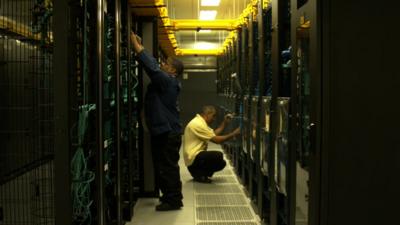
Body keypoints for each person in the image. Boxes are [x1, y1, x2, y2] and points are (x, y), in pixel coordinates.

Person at [130, 31, 184, 211]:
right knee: (163, 166)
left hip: (168, 133)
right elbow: (154, 66)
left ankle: (174, 200)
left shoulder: (168, 81)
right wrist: (141, 46)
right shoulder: (167, 81)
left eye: (166, 63)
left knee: (167, 167)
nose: (162, 63)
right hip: (164, 131)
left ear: (173, 71)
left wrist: (137, 48)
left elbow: (152, 68)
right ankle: (169, 196)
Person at [183, 105, 240, 183]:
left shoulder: (200, 121)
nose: (214, 119)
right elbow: (217, 140)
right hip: (193, 160)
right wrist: (234, 134)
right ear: (207, 114)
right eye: (213, 116)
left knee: (222, 163)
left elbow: (214, 134)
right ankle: (199, 174)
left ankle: (201, 174)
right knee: (217, 156)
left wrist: (224, 123)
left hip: (194, 159)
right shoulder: (198, 124)